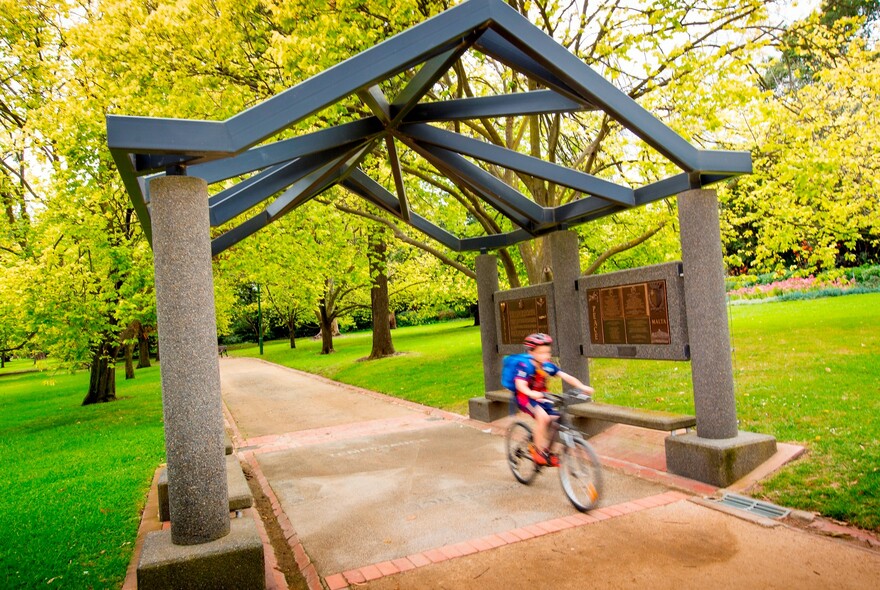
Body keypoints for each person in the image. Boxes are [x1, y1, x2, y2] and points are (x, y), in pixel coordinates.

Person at [513, 333, 594, 467]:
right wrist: (531, 393)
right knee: (543, 417)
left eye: (548, 352)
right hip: (525, 398)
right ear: (531, 352)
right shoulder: (524, 366)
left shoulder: (547, 366)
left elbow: (565, 376)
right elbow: (520, 385)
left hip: (542, 398)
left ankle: (546, 450)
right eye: (542, 352)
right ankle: (538, 453)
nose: (546, 355)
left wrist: (581, 386)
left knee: (556, 421)